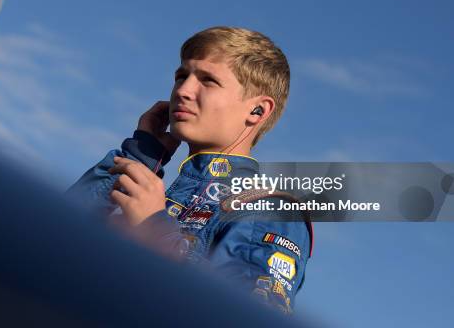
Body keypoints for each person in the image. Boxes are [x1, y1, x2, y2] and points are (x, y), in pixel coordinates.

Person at [64, 26, 312, 315]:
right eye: (182, 76)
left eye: (208, 80)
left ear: (257, 111)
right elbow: (50, 242)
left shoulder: (267, 208)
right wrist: (139, 156)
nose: (183, 90)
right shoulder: (158, 197)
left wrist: (156, 231)